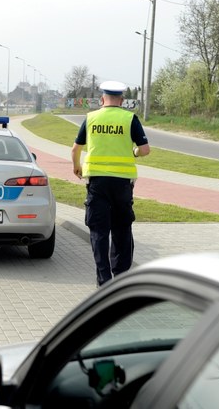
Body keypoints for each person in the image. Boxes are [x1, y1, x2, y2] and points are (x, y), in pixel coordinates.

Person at [71, 81, 150, 287]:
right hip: (123, 184)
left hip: (97, 183)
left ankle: (103, 280)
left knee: (98, 231)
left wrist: (76, 167)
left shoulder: (91, 118)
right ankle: (121, 278)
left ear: (101, 99)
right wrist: (133, 152)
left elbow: (75, 149)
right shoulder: (129, 118)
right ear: (122, 100)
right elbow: (145, 149)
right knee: (122, 228)